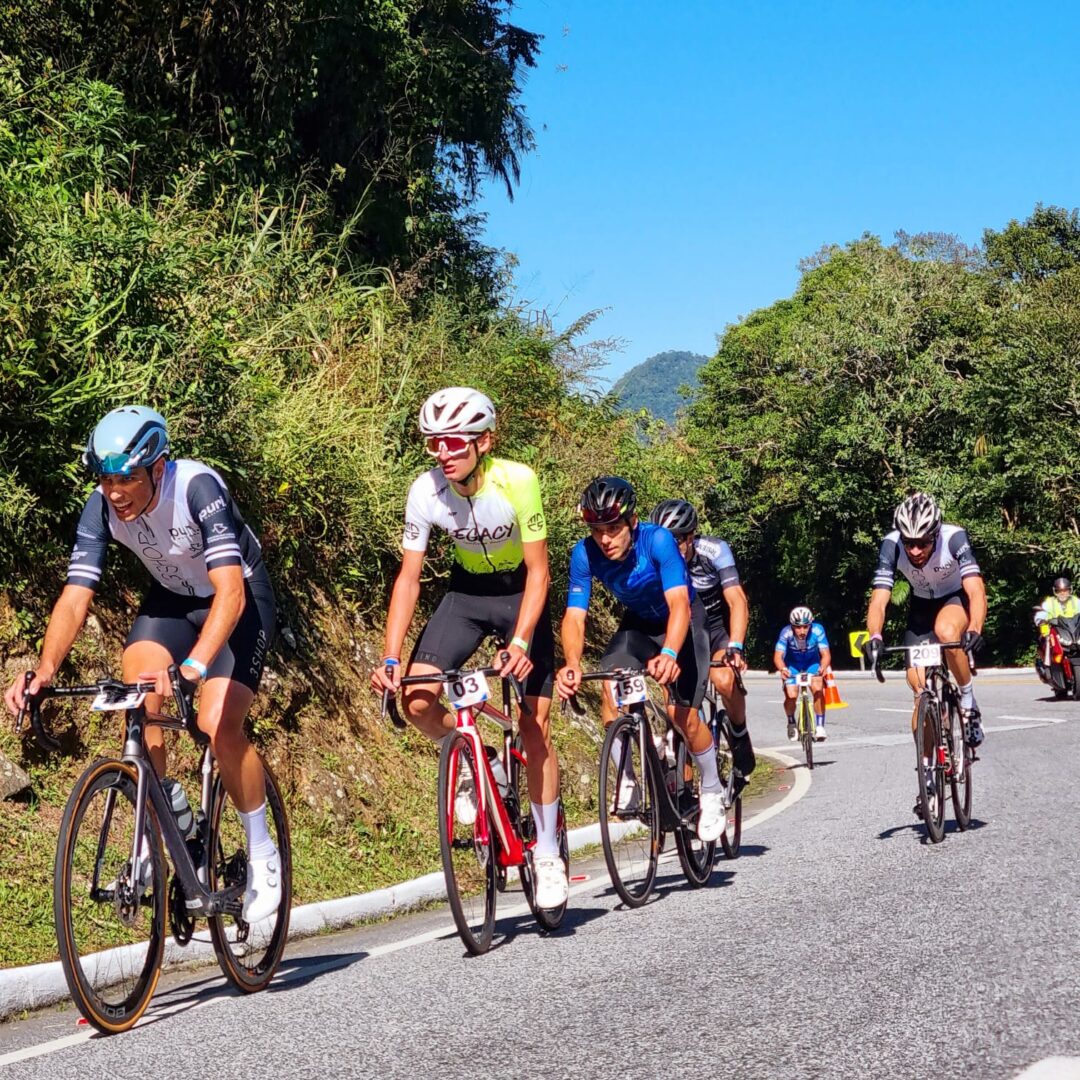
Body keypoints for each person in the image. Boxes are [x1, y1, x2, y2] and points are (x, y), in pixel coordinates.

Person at [3, 406, 281, 921]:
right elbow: (74, 596)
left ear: (158, 468)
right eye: (107, 478)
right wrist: (43, 671)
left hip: (239, 596)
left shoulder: (198, 487)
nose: (115, 491)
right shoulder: (101, 507)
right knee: (140, 695)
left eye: (127, 476)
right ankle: (159, 824)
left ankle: (264, 850)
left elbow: (230, 592)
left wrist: (195, 667)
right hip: (175, 599)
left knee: (217, 724)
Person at [369, 387, 566, 909]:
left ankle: (546, 852)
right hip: (466, 595)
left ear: (485, 440)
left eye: (454, 441)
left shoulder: (518, 481)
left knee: (534, 725)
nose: (443, 452)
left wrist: (522, 640)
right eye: (434, 443)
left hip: (519, 594)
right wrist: (392, 657)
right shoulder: (426, 491)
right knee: (415, 699)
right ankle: (481, 770)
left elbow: (541, 572)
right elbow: (409, 579)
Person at [555, 477, 726, 842]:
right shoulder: (584, 554)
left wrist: (668, 653)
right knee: (608, 682)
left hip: (682, 620)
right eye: (597, 529)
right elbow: (575, 616)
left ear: (632, 522)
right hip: (638, 625)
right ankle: (627, 779)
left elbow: (680, 604)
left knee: (683, 716)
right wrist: (572, 662)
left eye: (613, 528)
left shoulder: (658, 540)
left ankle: (711, 788)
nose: (605, 539)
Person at [862, 492, 988, 812]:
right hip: (920, 608)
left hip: (953, 599)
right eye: (909, 542)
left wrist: (974, 628)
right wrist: (874, 635)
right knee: (919, 689)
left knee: (948, 634)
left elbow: (976, 589)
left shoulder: (954, 538)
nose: (915, 550)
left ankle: (969, 705)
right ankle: (928, 773)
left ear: (935, 532)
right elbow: (879, 599)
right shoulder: (891, 545)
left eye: (923, 542)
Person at [649, 499, 755, 783]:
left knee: (723, 680)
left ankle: (739, 731)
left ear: (691, 536)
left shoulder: (715, 551)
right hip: (684, 629)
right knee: (675, 710)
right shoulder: (656, 558)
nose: (671, 547)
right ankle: (684, 789)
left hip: (715, 626)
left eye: (677, 540)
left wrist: (735, 646)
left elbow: (737, 601)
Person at [773, 606, 832, 741]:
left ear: (810, 625)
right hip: (792, 665)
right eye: (798, 627)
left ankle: (820, 726)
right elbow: (778, 656)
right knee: (791, 696)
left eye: (806, 627)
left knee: (818, 690)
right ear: (792, 626)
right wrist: (783, 669)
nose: (802, 631)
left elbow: (826, 654)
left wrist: (822, 668)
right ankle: (791, 722)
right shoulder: (786, 633)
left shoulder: (818, 630)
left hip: (812, 664)